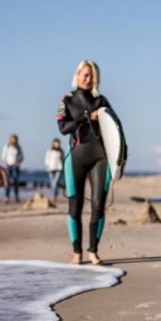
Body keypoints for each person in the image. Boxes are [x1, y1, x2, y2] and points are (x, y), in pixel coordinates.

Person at [58, 59, 126, 265]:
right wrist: (88, 117)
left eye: (92, 76)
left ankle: (93, 251)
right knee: (75, 207)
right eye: (85, 75)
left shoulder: (102, 101)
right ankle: (77, 252)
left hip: (100, 158)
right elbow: (63, 128)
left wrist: (122, 156)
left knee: (98, 206)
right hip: (76, 157)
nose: (88, 79)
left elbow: (117, 128)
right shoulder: (67, 100)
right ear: (77, 75)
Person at [1, 134, 24, 204]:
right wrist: (5, 162)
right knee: (7, 182)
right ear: (10, 139)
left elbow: (21, 156)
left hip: (15, 166)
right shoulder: (6, 146)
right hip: (8, 166)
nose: (13, 140)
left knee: (15, 182)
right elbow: (3, 155)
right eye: (12, 138)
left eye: (15, 139)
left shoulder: (18, 148)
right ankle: (6, 197)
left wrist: (18, 162)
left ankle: (16, 196)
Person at [45, 138, 65, 205]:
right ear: (53, 143)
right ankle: (55, 195)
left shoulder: (61, 151)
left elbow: (63, 159)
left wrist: (63, 167)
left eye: (57, 143)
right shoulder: (49, 151)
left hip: (59, 168)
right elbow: (47, 159)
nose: (56, 144)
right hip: (51, 168)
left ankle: (54, 196)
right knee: (52, 183)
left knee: (55, 183)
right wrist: (47, 165)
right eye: (55, 143)